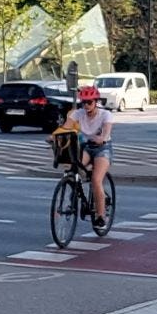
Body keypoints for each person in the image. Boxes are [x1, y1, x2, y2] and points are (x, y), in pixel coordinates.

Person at [56, 84, 114, 228]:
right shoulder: (78, 113)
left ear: (96, 102)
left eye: (89, 102)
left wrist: (103, 137)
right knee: (74, 166)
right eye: (84, 102)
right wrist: (54, 136)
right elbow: (66, 127)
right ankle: (77, 190)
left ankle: (101, 215)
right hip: (86, 147)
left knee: (96, 180)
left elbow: (107, 130)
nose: (86, 105)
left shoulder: (105, 114)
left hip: (102, 148)